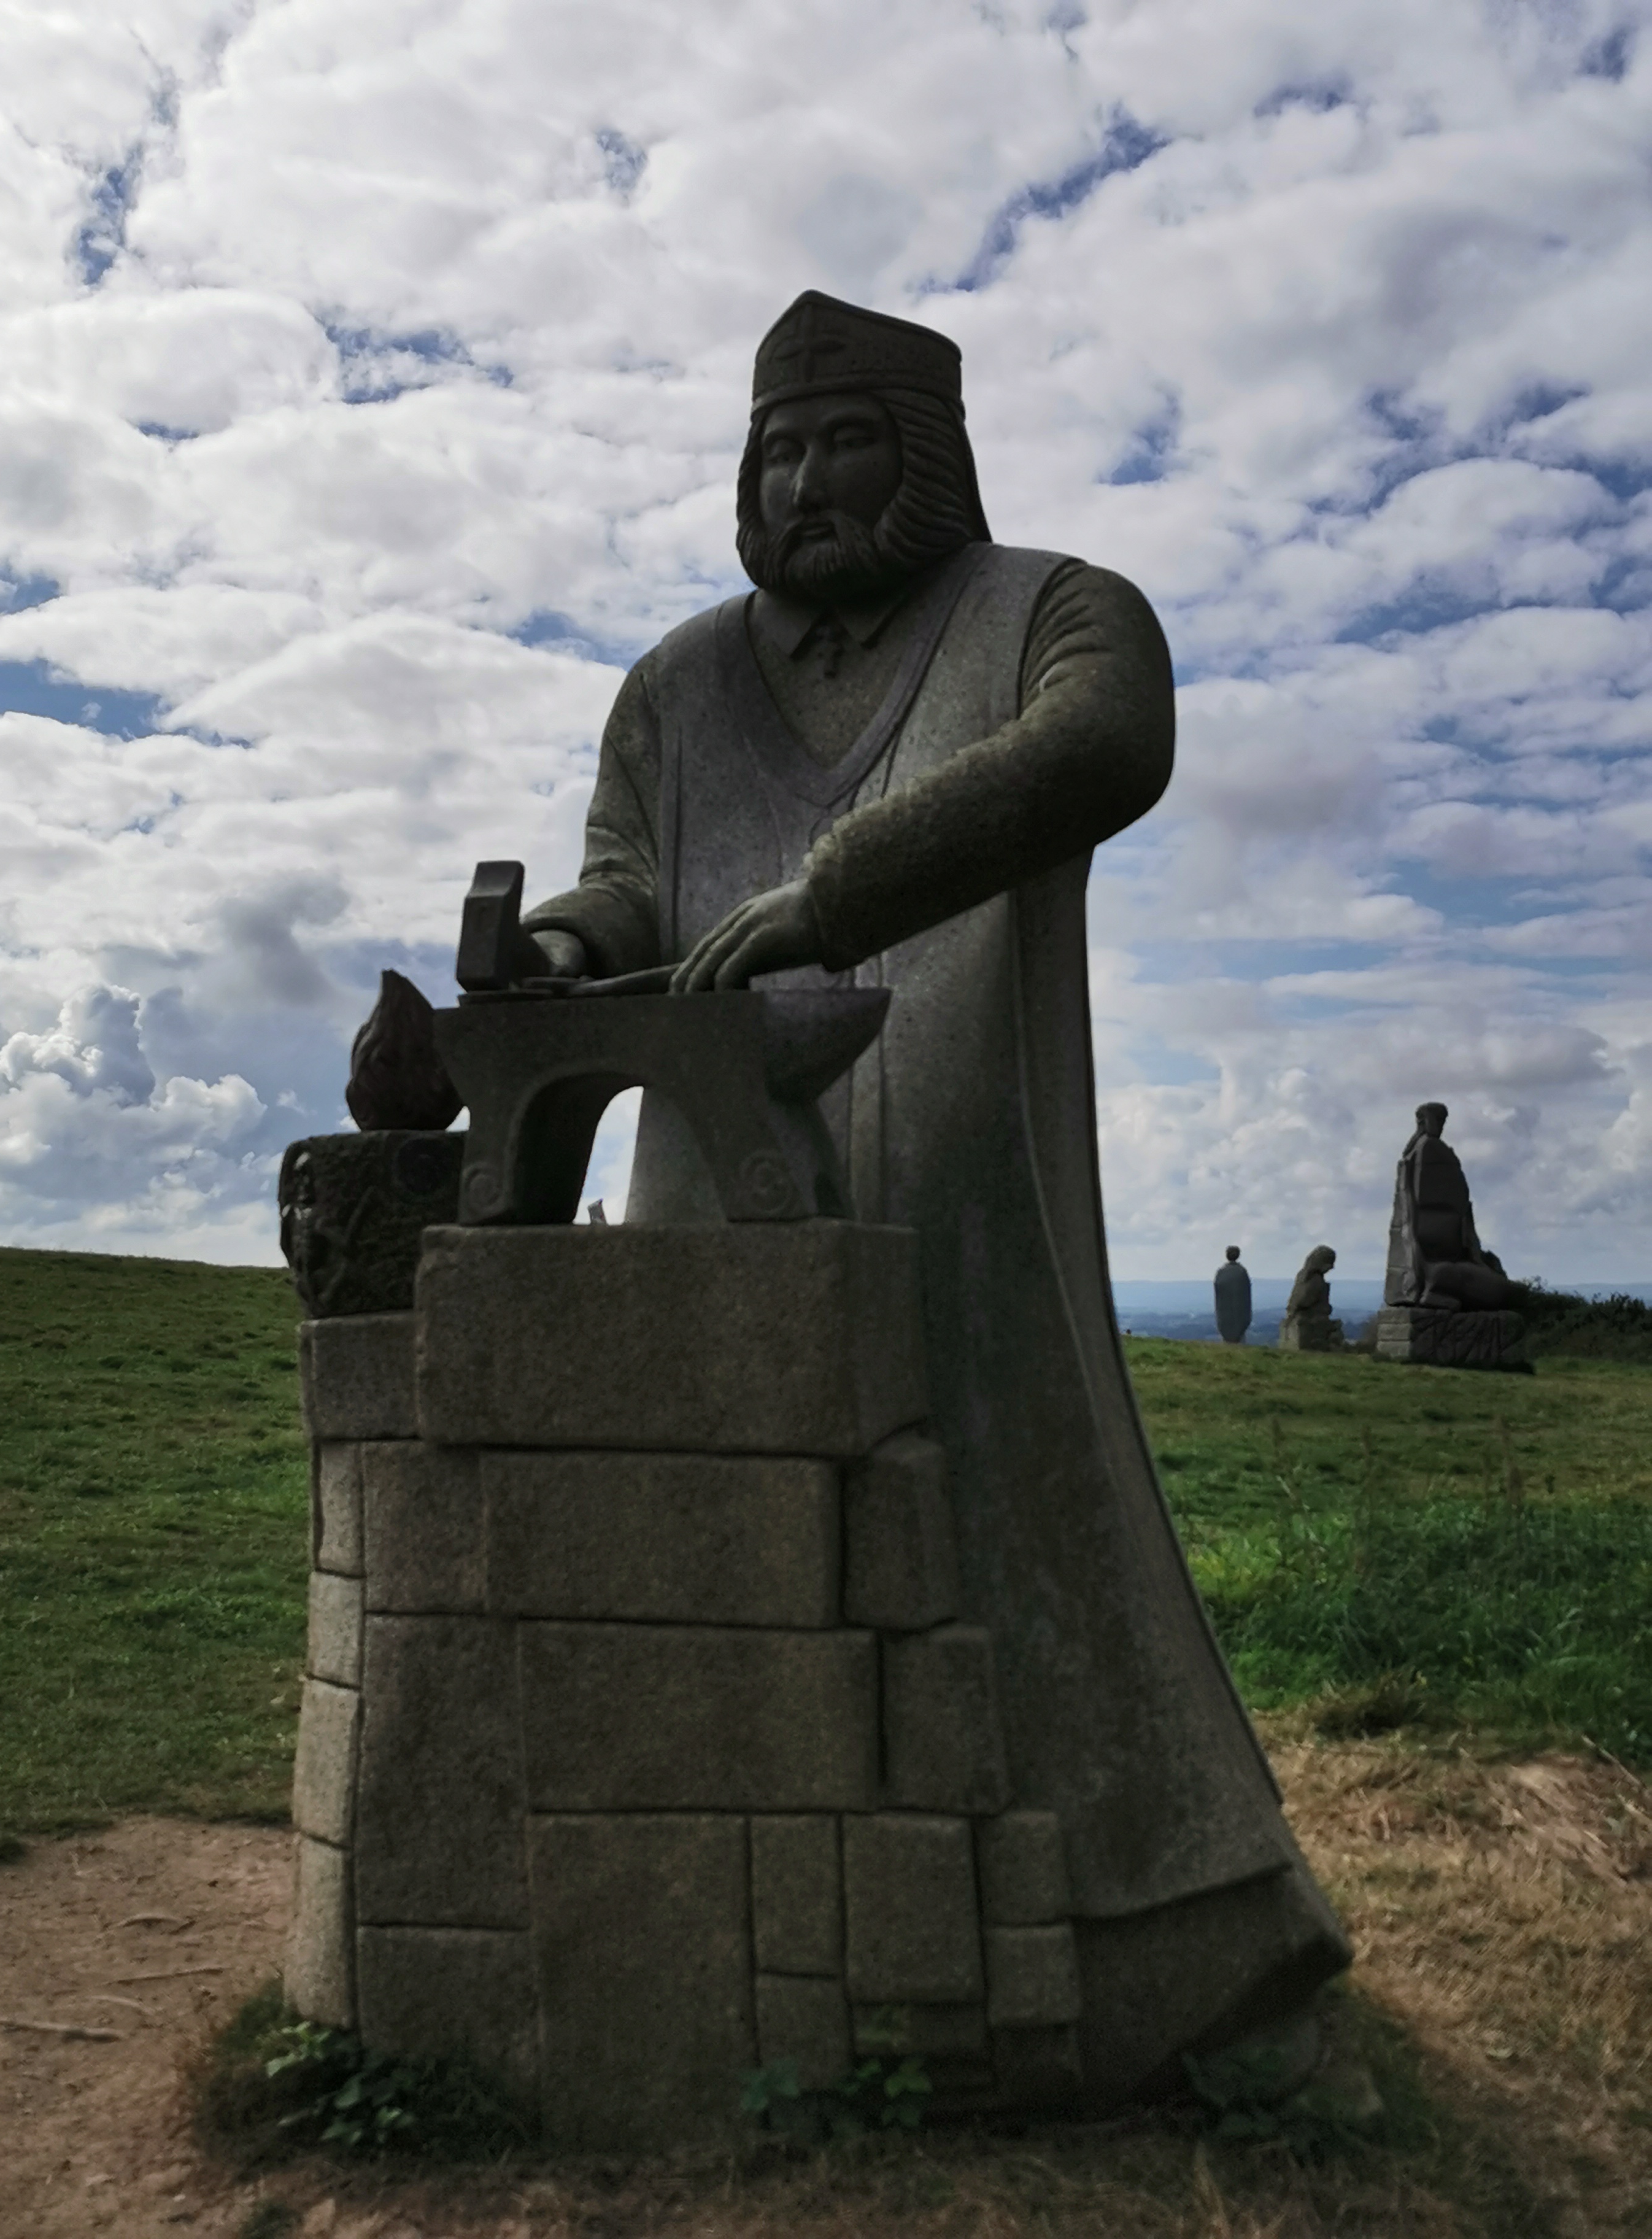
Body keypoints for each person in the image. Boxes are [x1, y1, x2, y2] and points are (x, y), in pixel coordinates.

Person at [517, 290, 1348, 2102]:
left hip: (970, 1185)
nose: (805, 483)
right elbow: (625, 889)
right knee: (717, 1576)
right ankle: (709, 1956)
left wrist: (839, 892)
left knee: (1031, 1559)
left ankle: (1167, 1966)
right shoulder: (672, 687)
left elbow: (1105, 745)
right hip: (717, 1206)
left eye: (845, 443)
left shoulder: (1052, 611)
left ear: (929, 456)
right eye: (777, 452)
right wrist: (550, 949)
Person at [1385, 1103, 1513, 1311]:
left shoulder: (1422, 1153)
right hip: (1439, 1266)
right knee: (1499, 1291)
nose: (1441, 1126)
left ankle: (1437, 1291)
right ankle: (1436, 1292)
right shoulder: (1429, 1151)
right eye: (1438, 1120)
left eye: (1443, 1121)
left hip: (1443, 1261)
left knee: (1494, 1288)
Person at [1213, 1245, 1253, 1344]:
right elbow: (1246, 1295)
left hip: (1224, 1317)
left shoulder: (1221, 1273)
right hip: (1240, 1316)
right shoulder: (1242, 1272)